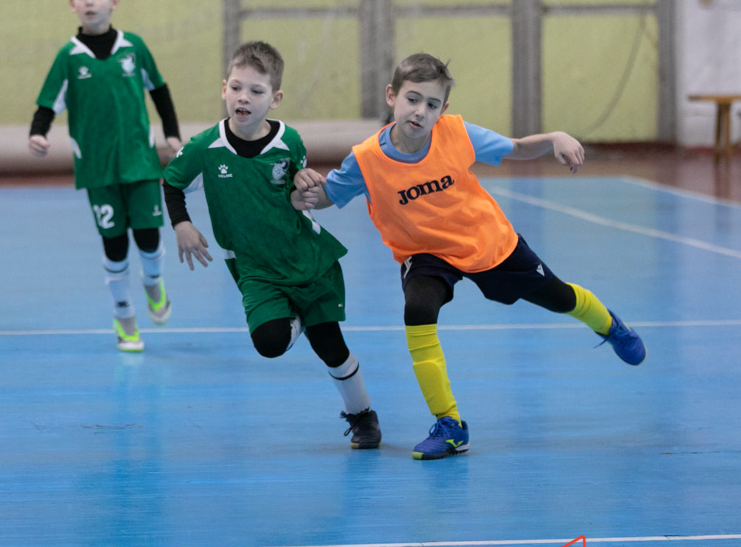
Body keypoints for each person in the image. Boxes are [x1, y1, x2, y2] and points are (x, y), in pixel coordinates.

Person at [294, 52, 645, 460]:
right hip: (425, 252)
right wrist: (303, 191)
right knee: (418, 310)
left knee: (560, 297)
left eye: (431, 104)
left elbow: (517, 148)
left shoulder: (458, 134)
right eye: (412, 99)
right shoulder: (366, 159)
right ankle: (450, 425)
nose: (420, 111)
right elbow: (328, 196)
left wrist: (554, 138)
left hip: (486, 241)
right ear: (392, 96)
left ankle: (610, 326)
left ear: (443, 110)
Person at [163, 41, 381, 449]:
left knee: (331, 347)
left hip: (304, 258)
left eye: (256, 90)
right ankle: (298, 318)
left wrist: (303, 184)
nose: (243, 97)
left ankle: (363, 416)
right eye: (236, 87)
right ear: (224, 89)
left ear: (275, 99)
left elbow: (299, 192)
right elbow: (171, 183)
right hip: (254, 268)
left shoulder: (289, 141)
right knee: (269, 343)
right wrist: (182, 224)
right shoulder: (203, 148)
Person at [29, 0, 181, 352]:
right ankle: (124, 317)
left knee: (148, 237)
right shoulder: (69, 57)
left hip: (140, 162)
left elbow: (159, 90)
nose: (89, 1)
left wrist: (172, 134)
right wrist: (38, 132)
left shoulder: (134, 48)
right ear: (72, 4)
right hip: (98, 169)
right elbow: (48, 102)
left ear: (113, 0)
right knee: (114, 244)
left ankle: (153, 282)